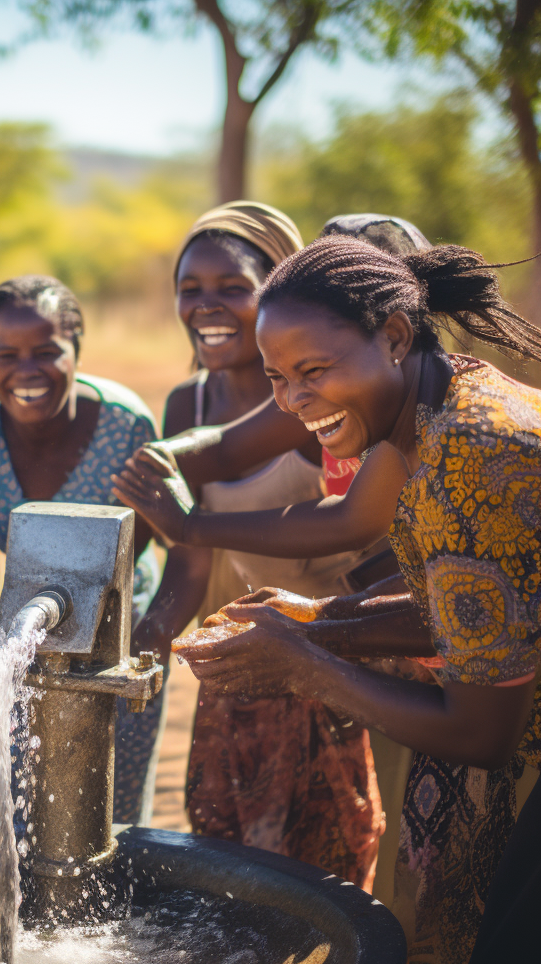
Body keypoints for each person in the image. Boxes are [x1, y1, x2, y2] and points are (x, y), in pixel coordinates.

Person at [149, 235, 541, 964]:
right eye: (278, 378)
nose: (293, 401)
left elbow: (482, 731)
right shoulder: (425, 408)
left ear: (394, 336)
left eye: (315, 372)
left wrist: (301, 663)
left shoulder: (479, 451)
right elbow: (459, 605)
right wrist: (316, 622)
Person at [129, 202, 384, 891]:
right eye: (190, 289)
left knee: (328, 877)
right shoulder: (190, 405)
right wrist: (152, 633)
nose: (206, 306)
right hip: (241, 661)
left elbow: (346, 523)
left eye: (232, 288)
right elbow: (189, 556)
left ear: (279, 292)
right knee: (228, 870)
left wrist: (183, 513)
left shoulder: (320, 393)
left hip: (336, 660)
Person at [0, 274, 162, 824]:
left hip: (120, 621)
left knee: (112, 798)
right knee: (24, 794)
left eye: (47, 351)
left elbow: (141, 536)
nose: (26, 370)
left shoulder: (125, 424)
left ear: (76, 350)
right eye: (5, 354)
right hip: (27, 622)